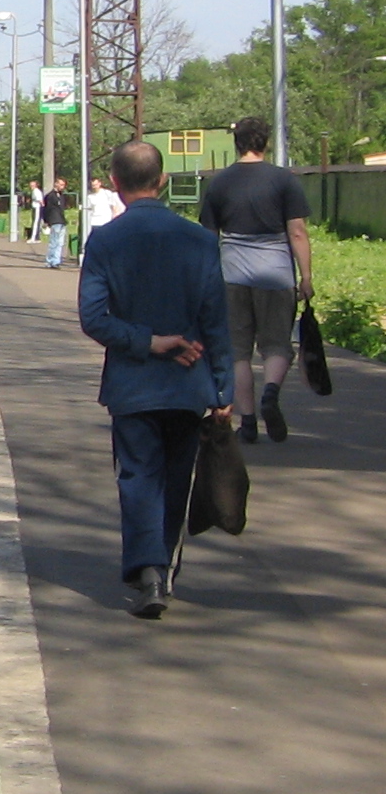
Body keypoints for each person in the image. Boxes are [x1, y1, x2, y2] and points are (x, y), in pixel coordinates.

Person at [79, 140, 232, 618]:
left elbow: (93, 318)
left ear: (116, 183)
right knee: (175, 477)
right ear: (162, 181)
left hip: (133, 384)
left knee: (138, 476)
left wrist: (148, 342)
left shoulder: (105, 241)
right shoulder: (201, 241)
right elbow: (216, 321)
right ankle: (162, 566)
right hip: (189, 383)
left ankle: (148, 573)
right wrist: (223, 389)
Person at [198, 115, 312, 444]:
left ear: (237, 143)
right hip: (276, 273)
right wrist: (306, 277)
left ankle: (247, 421)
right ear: (265, 142)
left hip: (231, 272)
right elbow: (298, 231)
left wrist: (208, 278)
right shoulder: (284, 180)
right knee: (277, 344)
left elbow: (209, 235)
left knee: (238, 351)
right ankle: (271, 393)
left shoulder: (220, 183)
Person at [40, 177, 70, 268]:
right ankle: (50, 261)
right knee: (54, 242)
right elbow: (46, 209)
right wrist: (46, 221)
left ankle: (56, 261)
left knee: (60, 242)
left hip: (61, 221)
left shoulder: (61, 195)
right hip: (54, 220)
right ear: (55, 184)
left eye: (63, 185)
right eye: (60, 184)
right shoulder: (50, 196)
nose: (62, 187)